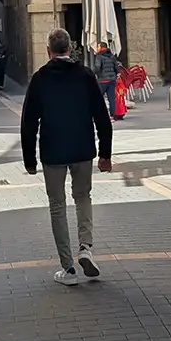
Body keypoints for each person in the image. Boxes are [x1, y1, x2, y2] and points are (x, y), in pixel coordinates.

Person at [21, 28, 112, 287]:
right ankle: (86, 248)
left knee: (57, 205)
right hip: (83, 147)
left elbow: (29, 122)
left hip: (53, 151)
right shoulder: (85, 75)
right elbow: (102, 117)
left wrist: (30, 160)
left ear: (49, 51)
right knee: (83, 197)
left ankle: (68, 268)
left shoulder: (39, 79)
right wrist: (105, 153)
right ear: (70, 49)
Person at [93, 40, 120, 118]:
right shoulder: (111, 55)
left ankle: (98, 114)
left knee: (98, 97)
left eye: (98, 46)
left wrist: (93, 73)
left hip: (103, 80)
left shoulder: (99, 56)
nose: (97, 48)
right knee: (111, 98)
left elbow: (97, 68)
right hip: (112, 80)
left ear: (101, 47)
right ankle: (113, 115)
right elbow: (116, 68)